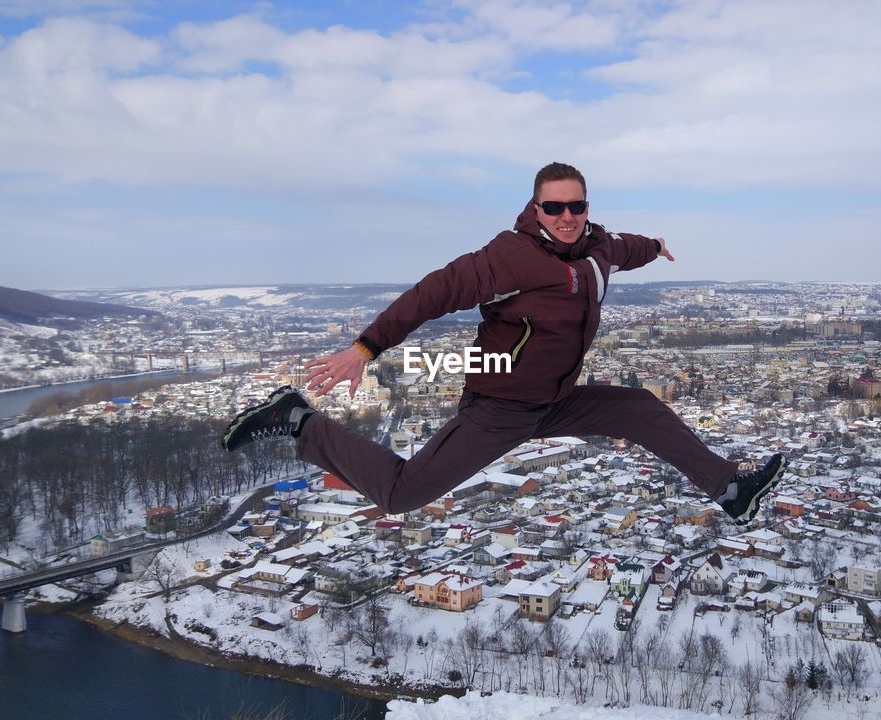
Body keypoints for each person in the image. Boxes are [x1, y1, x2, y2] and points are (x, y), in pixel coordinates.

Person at [223, 162, 783, 525]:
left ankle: (729, 490)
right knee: (400, 495)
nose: (566, 217)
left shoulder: (599, 246)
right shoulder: (508, 257)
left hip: (557, 399)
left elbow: (626, 248)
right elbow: (432, 294)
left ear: (588, 209)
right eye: (554, 207)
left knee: (639, 408)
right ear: (536, 209)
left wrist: (656, 244)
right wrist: (366, 348)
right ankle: (299, 421)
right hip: (501, 407)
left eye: (576, 206)